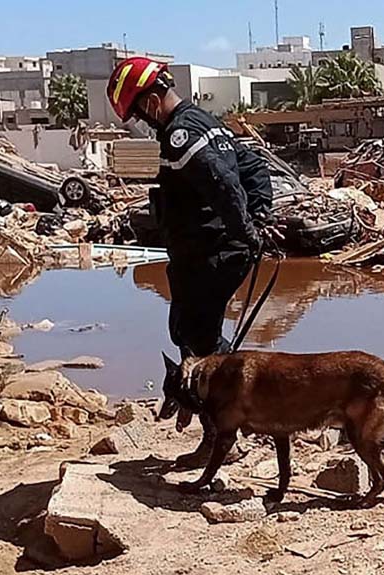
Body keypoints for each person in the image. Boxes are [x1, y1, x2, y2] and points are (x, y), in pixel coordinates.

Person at [107, 56, 273, 467]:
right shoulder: (206, 122)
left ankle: (225, 434)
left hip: (210, 252)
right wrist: (260, 217)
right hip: (208, 252)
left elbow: (222, 182)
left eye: (139, 115)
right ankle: (230, 420)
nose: (145, 124)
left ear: (149, 102)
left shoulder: (181, 134)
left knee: (200, 342)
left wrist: (246, 230)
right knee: (189, 332)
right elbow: (252, 165)